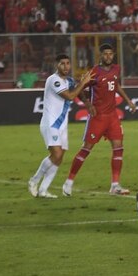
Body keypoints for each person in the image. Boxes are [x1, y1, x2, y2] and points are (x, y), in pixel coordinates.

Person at [62, 43, 137, 197]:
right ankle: (68, 182)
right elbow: (79, 88)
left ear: (113, 55)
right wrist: (88, 104)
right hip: (98, 117)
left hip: (112, 117)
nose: (108, 56)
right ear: (100, 55)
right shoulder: (94, 72)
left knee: (118, 148)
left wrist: (128, 101)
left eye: (110, 53)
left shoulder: (116, 69)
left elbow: (116, 85)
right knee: (86, 149)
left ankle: (115, 185)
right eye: (105, 54)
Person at [28, 54, 94, 198]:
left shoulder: (69, 80)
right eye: (62, 63)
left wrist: (87, 103)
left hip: (62, 125)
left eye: (68, 63)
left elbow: (78, 93)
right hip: (51, 123)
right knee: (56, 154)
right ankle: (34, 180)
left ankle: (43, 190)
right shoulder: (53, 80)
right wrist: (83, 83)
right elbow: (70, 96)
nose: (66, 66)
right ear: (56, 65)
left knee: (60, 157)